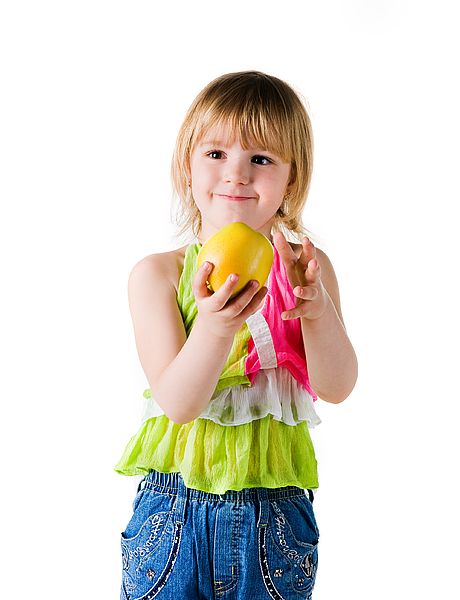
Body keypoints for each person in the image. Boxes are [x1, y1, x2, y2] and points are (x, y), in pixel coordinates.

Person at [115, 70, 358, 600]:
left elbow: (337, 387)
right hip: (172, 514)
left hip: (272, 520)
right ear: (188, 166)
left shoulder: (304, 270)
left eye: (262, 160)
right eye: (216, 154)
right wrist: (217, 324)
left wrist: (315, 314)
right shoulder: (157, 275)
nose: (237, 175)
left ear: (291, 180)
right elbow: (179, 402)